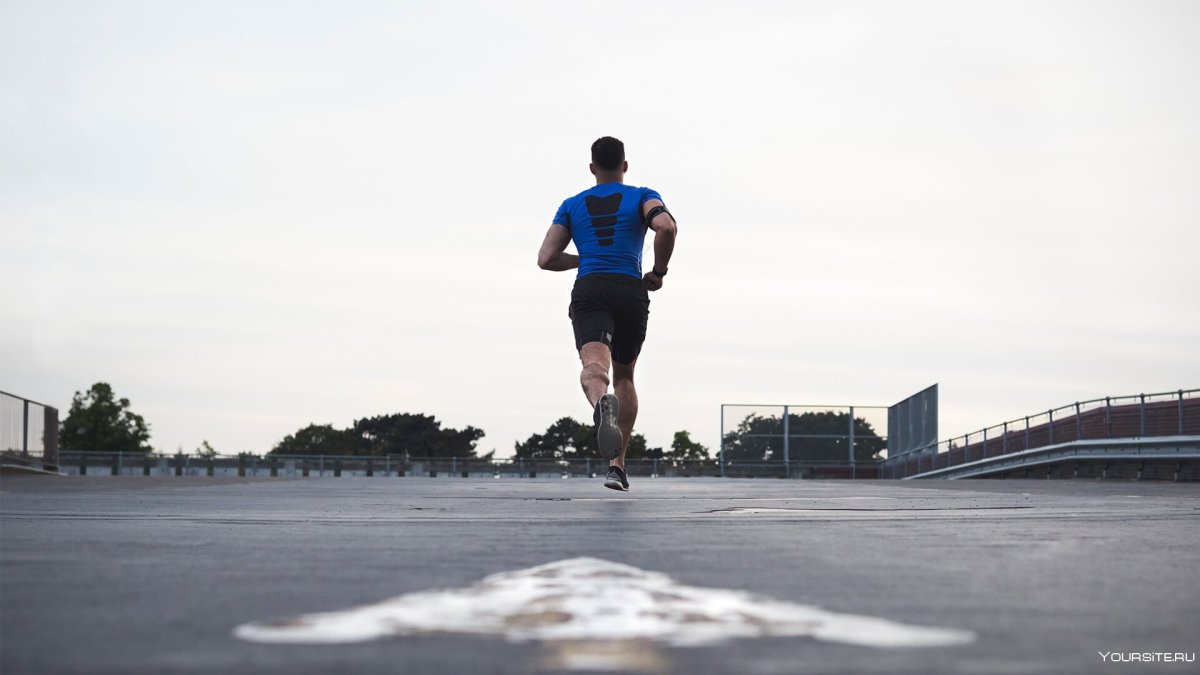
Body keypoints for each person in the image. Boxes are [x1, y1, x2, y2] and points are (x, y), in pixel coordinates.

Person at [537, 136, 678, 491]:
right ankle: (617, 467)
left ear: (591, 168)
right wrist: (658, 273)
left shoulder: (572, 205)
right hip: (631, 289)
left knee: (594, 368)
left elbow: (546, 258)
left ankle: (602, 405)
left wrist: (584, 258)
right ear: (625, 166)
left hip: (592, 288)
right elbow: (666, 227)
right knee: (626, 377)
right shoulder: (643, 195)